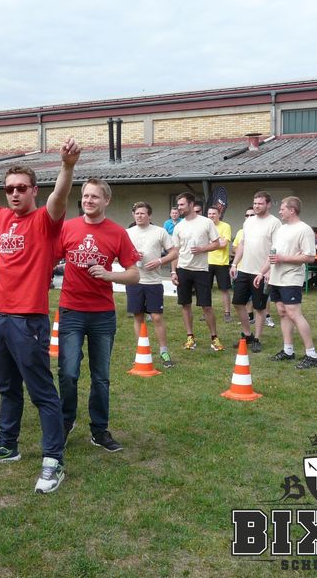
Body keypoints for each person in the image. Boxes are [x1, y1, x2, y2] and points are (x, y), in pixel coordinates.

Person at [0, 136, 81, 495]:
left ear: (34, 190)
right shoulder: (4, 218)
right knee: (7, 387)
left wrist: (67, 166)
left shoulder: (45, 220)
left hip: (28, 320)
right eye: (9, 189)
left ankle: (53, 460)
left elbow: (60, 197)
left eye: (22, 188)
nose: (15, 194)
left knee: (42, 393)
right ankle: (7, 445)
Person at [57, 179, 139, 452]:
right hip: (71, 310)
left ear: (106, 201)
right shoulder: (68, 228)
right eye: (85, 196)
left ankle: (99, 430)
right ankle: (65, 422)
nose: (89, 201)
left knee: (100, 377)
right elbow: (48, 259)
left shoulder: (117, 233)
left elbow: (134, 274)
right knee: (68, 372)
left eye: (94, 197)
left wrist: (108, 275)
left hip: (102, 314)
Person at [255, 196, 317, 368]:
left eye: (282, 208)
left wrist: (283, 258)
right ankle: (288, 350)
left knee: (294, 313)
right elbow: (273, 255)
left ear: (292, 210)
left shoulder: (304, 229)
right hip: (276, 278)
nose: (279, 211)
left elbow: (310, 257)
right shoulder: (281, 229)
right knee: (282, 312)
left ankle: (312, 355)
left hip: (292, 277)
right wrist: (262, 272)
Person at [126, 201, 178, 368]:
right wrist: (133, 257)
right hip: (134, 280)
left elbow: (174, 253)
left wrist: (159, 261)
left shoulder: (160, 232)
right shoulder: (127, 233)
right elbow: (120, 256)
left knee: (156, 317)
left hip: (153, 281)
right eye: (137, 213)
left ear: (149, 215)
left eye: (142, 213)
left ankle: (164, 351)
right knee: (138, 316)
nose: (139, 216)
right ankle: (142, 350)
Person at [170, 192, 224, 352]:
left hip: (201, 270)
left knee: (206, 306)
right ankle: (190, 337)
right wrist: (173, 272)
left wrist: (202, 249)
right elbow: (175, 252)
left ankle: (214, 338)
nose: (179, 208)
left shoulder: (206, 222)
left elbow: (217, 244)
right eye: (178, 205)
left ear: (191, 204)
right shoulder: (178, 227)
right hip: (183, 269)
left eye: (182, 204)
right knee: (185, 304)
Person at [230, 191, 281, 353]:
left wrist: (268, 270)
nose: (257, 206)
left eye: (260, 203)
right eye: (255, 203)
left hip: (261, 272)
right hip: (244, 269)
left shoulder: (275, 223)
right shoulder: (249, 222)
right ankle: (247, 335)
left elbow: (275, 249)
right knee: (237, 302)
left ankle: (257, 339)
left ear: (268, 204)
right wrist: (234, 264)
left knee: (259, 307)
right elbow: (242, 245)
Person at [206, 206, 232, 322]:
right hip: (207, 262)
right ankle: (207, 312)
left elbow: (224, 244)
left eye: (214, 213)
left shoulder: (225, 226)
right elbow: (202, 243)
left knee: (224, 289)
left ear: (219, 215)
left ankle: (227, 313)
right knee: (206, 289)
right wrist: (216, 242)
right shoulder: (205, 227)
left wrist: (210, 243)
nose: (211, 216)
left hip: (222, 263)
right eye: (209, 214)